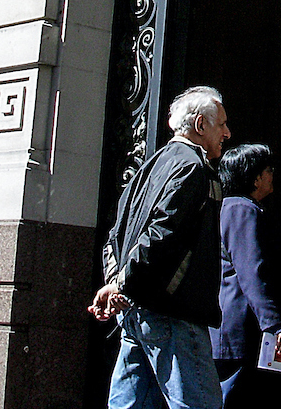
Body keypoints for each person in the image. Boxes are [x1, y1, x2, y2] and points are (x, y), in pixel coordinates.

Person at [89, 86, 232, 409]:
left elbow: (117, 234)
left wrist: (117, 284)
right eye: (220, 124)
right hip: (171, 313)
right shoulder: (193, 168)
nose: (226, 132)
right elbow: (162, 233)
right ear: (200, 125)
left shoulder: (150, 165)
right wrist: (123, 285)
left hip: (136, 310)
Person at [212, 144, 281, 409]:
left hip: (241, 334)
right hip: (243, 335)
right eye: (267, 169)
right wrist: (275, 325)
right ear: (253, 177)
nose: (272, 174)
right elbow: (252, 271)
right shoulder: (241, 210)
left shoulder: (235, 208)